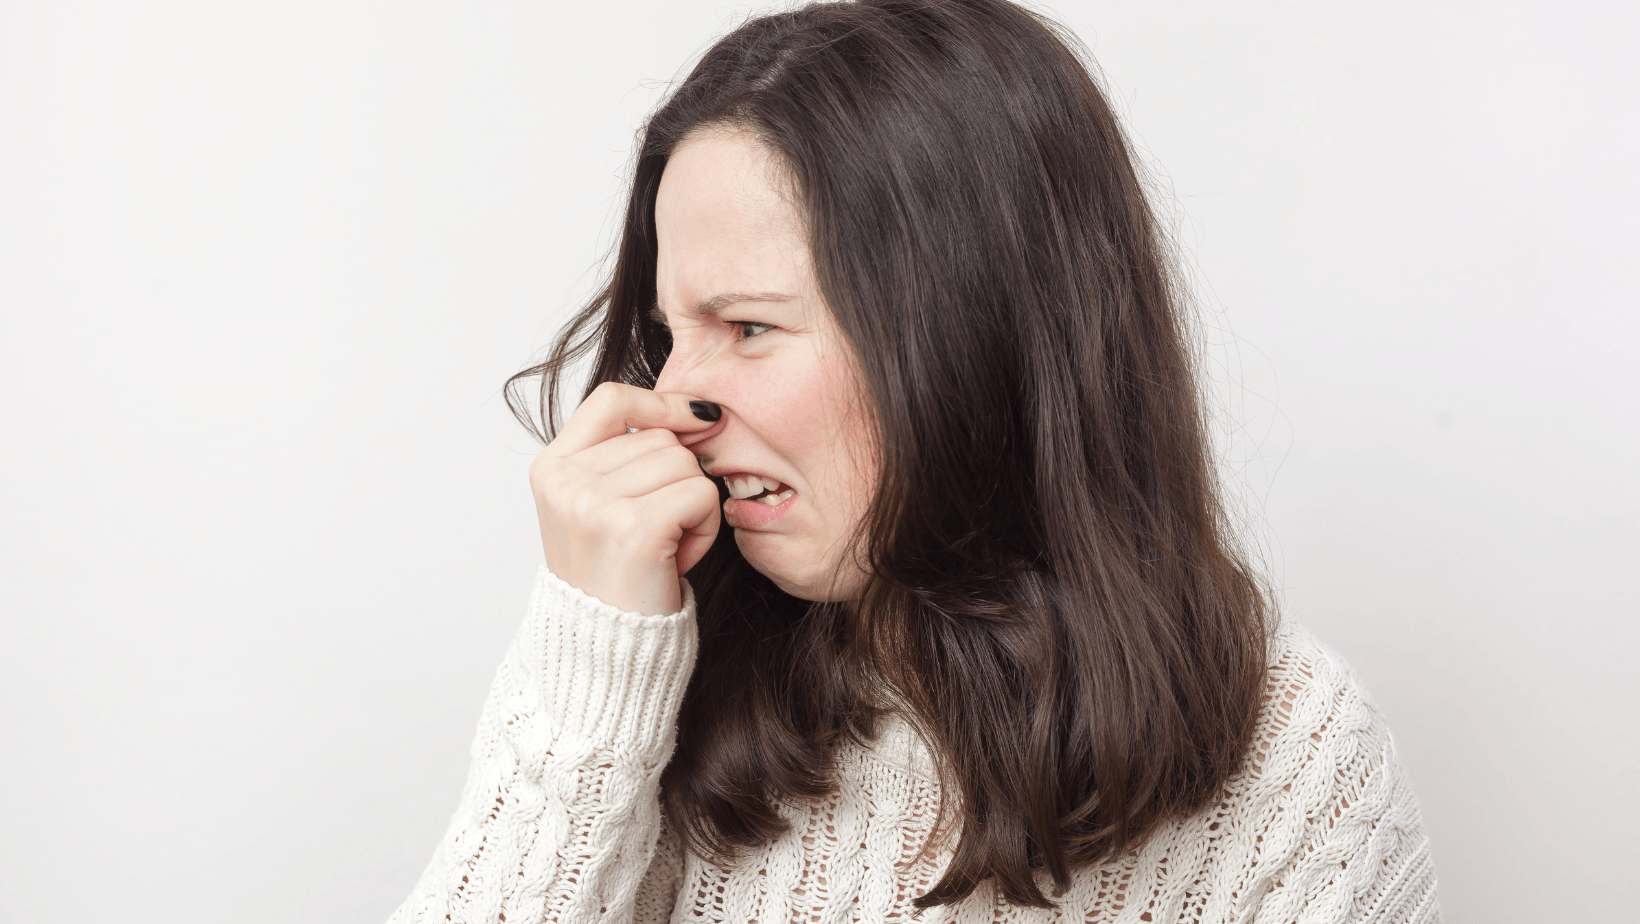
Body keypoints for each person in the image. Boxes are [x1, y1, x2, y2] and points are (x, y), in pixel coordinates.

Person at [388, 1, 1441, 921]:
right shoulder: (662, 680)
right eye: (672, 333)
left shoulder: (1297, 768)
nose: (673, 399)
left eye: (748, 327)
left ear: (969, 336)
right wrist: (590, 677)